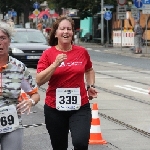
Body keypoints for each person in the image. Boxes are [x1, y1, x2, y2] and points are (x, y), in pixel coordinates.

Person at [36, 16, 98, 150]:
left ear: (73, 33)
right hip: (54, 108)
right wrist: (55, 64)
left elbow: (89, 70)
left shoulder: (82, 52)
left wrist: (90, 86)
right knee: (59, 147)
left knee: (80, 143)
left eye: (69, 29)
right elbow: (39, 80)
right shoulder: (48, 54)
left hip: (80, 106)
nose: (66, 32)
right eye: (62, 29)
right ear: (56, 33)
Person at [0, 21, 40, 149]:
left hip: (11, 124)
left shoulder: (19, 67)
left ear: (9, 41)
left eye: (3, 38)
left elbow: (35, 94)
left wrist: (30, 102)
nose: (0, 42)